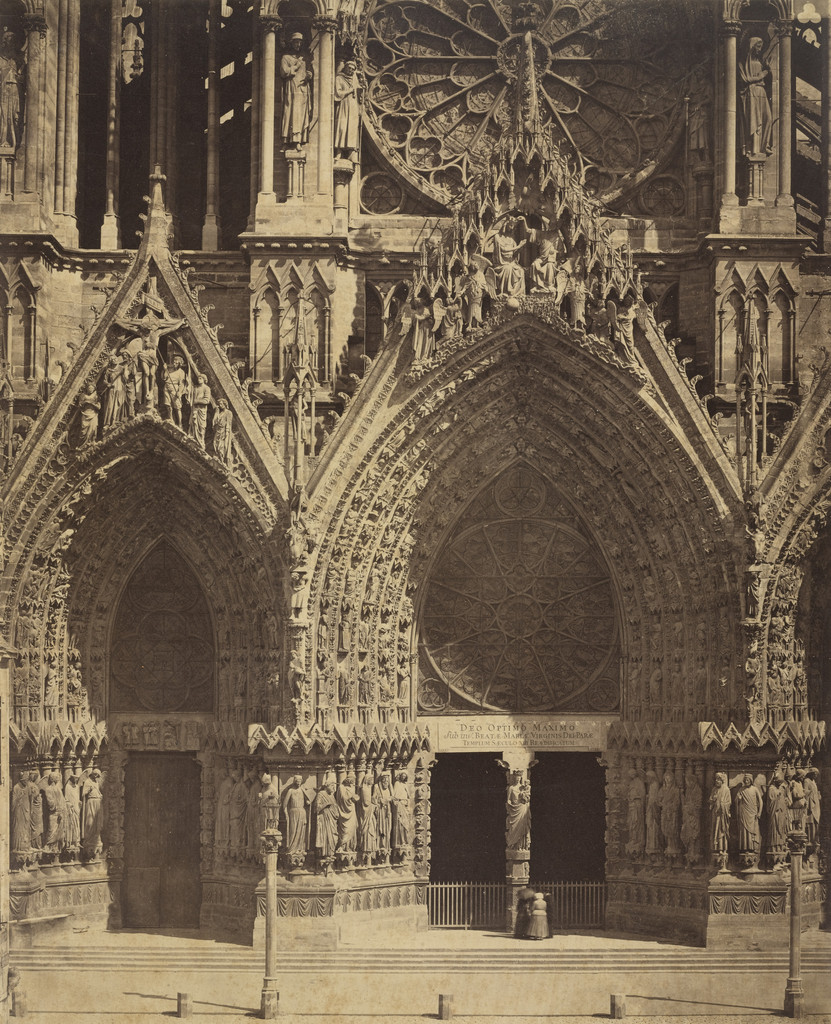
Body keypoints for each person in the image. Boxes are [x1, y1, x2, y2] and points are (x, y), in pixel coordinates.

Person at [739, 37, 773, 159]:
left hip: (761, 92)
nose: (760, 49)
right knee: (755, 120)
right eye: (758, 46)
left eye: (761, 46)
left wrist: (767, 69)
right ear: (752, 46)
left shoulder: (760, 62)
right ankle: (754, 148)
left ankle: (764, 145)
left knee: (768, 118)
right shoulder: (742, 64)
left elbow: (768, 79)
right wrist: (761, 76)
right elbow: (745, 79)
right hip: (752, 92)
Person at [281, 32, 312, 148]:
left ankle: (298, 139)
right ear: (291, 43)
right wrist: (296, 66)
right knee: (291, 112)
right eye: (296, 42)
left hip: (303, 88)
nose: (298, 44)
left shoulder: (304, 59)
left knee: (300, 114)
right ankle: (288, 139)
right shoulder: (286, 58)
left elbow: (309, 71)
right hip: (292, 88)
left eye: (300, 42)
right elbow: (284, 72)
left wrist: (309, 75)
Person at [0, 29, 22, 151]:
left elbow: (23, 76)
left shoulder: (18, 60)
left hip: (14, 90)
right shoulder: (1, 59)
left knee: (13, 116)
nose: (11, 44)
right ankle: (3, 139)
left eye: (13, 42)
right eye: (9, 42)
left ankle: (12, 140)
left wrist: (19, 76)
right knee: (3, 116)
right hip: (3, 91)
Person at [282, 774, 309, 867]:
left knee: (301, 832)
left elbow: (308, 801)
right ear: (294, 781)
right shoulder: (291, 791)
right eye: (297, 781)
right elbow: (284, 804)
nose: (298, 783)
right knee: (293, 832)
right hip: (293, 812)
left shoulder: (302, 790)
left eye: (300, 781)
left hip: (302, 812)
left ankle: (300, 849)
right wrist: (286, 814)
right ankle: (292, 849)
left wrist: (308, 801)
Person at [334, 60, 360, 157]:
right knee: (341, 127)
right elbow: (338, 93)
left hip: (353, 106)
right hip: (343, 106)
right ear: (345, 68)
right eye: (349, 68)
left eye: (353, 69)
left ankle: (351, 153)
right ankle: (338, 152)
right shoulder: (339, 78)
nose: (351, 71)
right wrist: (349, 91)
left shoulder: (354, 79)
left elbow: (359, 92)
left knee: (352, 128)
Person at [314, 780, 338, 871]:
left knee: (333, 836)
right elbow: (316, 808)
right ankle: (324, 855)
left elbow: (335, 807)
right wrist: (325, 805)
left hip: (332, 820)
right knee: (325, 836)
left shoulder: (332, 795)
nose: (334, 788)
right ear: (327, 785)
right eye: (332, 785)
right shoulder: (321, 794)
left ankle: (330, 854)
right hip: (324, 820)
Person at [163, 355, 188, 427]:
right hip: (167, 387)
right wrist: (165, 370)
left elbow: (182, 383)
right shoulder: (169, 370)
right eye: (174, 362)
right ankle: (171, 421)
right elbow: (164, 378)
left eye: (176, 363)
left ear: (179, 364)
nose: (174, 364)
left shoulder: (181, 372)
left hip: (175, 388)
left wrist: (179, 392)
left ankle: (180, 423)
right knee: (168, 405)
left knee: (177, 407)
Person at [189, 374, 211, 447]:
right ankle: (193, 437)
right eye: (198, 378)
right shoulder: (195, 388)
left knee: (201, 426)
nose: (199, 379)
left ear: (204, 379)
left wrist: (197, 401)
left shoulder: (206, 388)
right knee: (194, 423)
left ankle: (201, 440)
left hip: (201, 410)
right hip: (195, 409)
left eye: (200, 378)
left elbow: (207, 400)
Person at [212, 398, 232, 465]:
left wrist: (227, 432)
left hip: (223, 431)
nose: (220, 405)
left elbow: (228, 423)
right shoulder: (219, 413)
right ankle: (217, 456)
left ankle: (222, 460)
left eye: (221, 404)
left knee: (221, 446)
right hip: (218, 430)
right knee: (215, 443)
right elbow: (214, 422)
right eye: (219, 404)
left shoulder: (228, 413)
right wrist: (216, 412)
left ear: (225, 404)